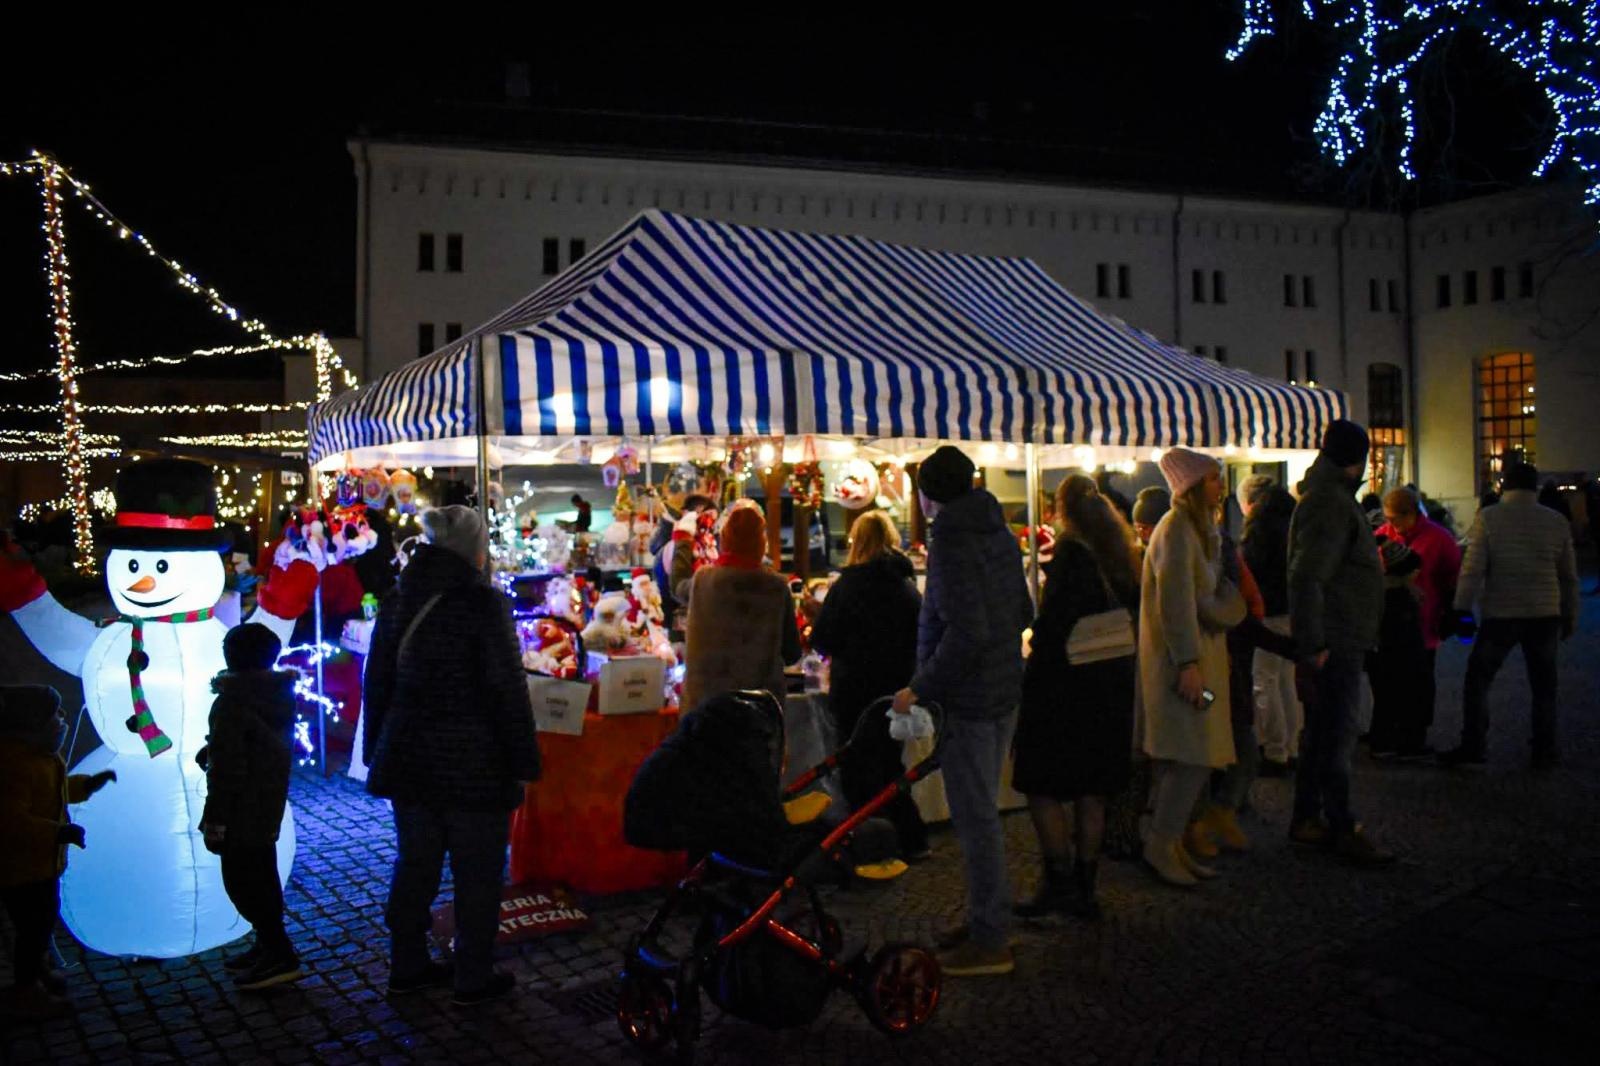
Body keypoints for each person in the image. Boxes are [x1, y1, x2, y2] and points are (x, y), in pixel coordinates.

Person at [364, 505, 542, 1006]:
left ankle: (407, 964)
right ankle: (472, 974)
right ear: (472, 548)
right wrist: (525, 761)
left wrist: (378, 748)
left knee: (415, 864)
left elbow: (375, 682)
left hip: (408, 758)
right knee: (478, 872)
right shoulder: (483, 603)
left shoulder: (399, 598)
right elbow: (508, 691)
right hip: (475, 762)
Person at [892, 445, 1031, 977]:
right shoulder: (998, 530)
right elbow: (1021, 609)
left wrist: (920, 686)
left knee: (976, 822)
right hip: (1001, 689)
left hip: (969, 699)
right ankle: (983, 921)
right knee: (984, 817)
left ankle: (991, 939)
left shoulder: (949, 540)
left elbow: (964, 631)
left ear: (929, 496)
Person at [1014, 475, 1140, 920]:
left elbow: (1054, 624)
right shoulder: (1120, 554)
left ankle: (1059, 882)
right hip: (1111, 685)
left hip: (1065, 689)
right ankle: (1086, 890)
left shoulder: (1070, 554)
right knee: (1093, 792)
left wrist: (1034, 646)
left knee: (1040, 784)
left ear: (1061, 509)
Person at [1137, 449, 1245, 887]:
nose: (1221, 485)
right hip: (1184, 666)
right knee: (1191, 753)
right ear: (1195, 485)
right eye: (1214, 479)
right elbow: (1176, 601)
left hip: (1197, 661)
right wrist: (1187, 662)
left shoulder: (1196, 529)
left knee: (1192, 752)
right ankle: (1161, 843)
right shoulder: (1177, 529)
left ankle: (1171, 842)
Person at [1287, 419, 1392, 865]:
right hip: (1338, 638)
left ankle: (1310, 819)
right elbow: (1308, 576)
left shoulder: (1328, 498)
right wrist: (1314, 644)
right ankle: (1339, 823)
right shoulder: (1330, 503)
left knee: (1322, 734)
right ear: (1357, 461)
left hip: (1338, 634)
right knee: (1336, 733)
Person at [1442, 462, 1580, 770]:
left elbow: (1473, 568)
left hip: (1501, 613)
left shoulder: (1489, 518)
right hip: (1545, 612)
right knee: (1544, 685)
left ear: (1505, 484)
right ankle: (1544, 750)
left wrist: (1462, 608)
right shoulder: (1556, 521)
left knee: (1478, 680)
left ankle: (1474, 745)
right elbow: (1569, 576)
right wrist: (1570, 614)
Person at [808, 511, 928, 859]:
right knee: (891, 765)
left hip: (854, 689)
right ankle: (910, 836)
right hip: (897, 688)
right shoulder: (907, 588)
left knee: (856, 767)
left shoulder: (847, 587)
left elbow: (823, 639)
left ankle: (872, 844)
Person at [0, 685, 116, 1020]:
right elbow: (11, 820)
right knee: (32, 928)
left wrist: (85, 785)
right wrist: (58, 831)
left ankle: (37, 973)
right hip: (20, 869)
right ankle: (26, 989)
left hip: (42, 865)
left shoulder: (43, 758)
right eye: (55, 715)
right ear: (32, 724)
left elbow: (53, 790)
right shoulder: (14, 765)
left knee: (41, 922)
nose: (62, 720)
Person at [197, 623, 300, 990]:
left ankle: (278, 951)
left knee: (243, 882)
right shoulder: (277, 695)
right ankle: (268, 944)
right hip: (267, 802)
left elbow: (228, 770)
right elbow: (262, 747)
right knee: (263, 874)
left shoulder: (232, 702)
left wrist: (216, 821)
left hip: (240, 810)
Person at [680, 506, 802, 714]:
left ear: (725, 539)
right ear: (760, 541)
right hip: (758, 709)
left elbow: (676, 586)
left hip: (703, 706)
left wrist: (682, 543)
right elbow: (791, 654)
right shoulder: (775, 586)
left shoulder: (703, 580)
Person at [1370, 487, 1461, 759]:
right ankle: (1388, 736)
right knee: (1387, 681)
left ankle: (1412, 737)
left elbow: (1453, 579)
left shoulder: (1439, 539)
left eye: (1395, 519)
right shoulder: (1383, 535)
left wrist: (1450, 613)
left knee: (1419, 683)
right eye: (1388, 519)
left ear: (1412, 514)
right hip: (1387, 624)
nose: (1391, 525)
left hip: (1425, 623)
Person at [1241, 482, 1300, 776]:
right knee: (1287, 681)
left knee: (1264, 680)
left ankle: (1275, 751)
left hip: (1269, 612)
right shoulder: (1295, 521)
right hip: (1294, 611)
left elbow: (1250, 572)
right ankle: (1292, 746)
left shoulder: (1260, 531)